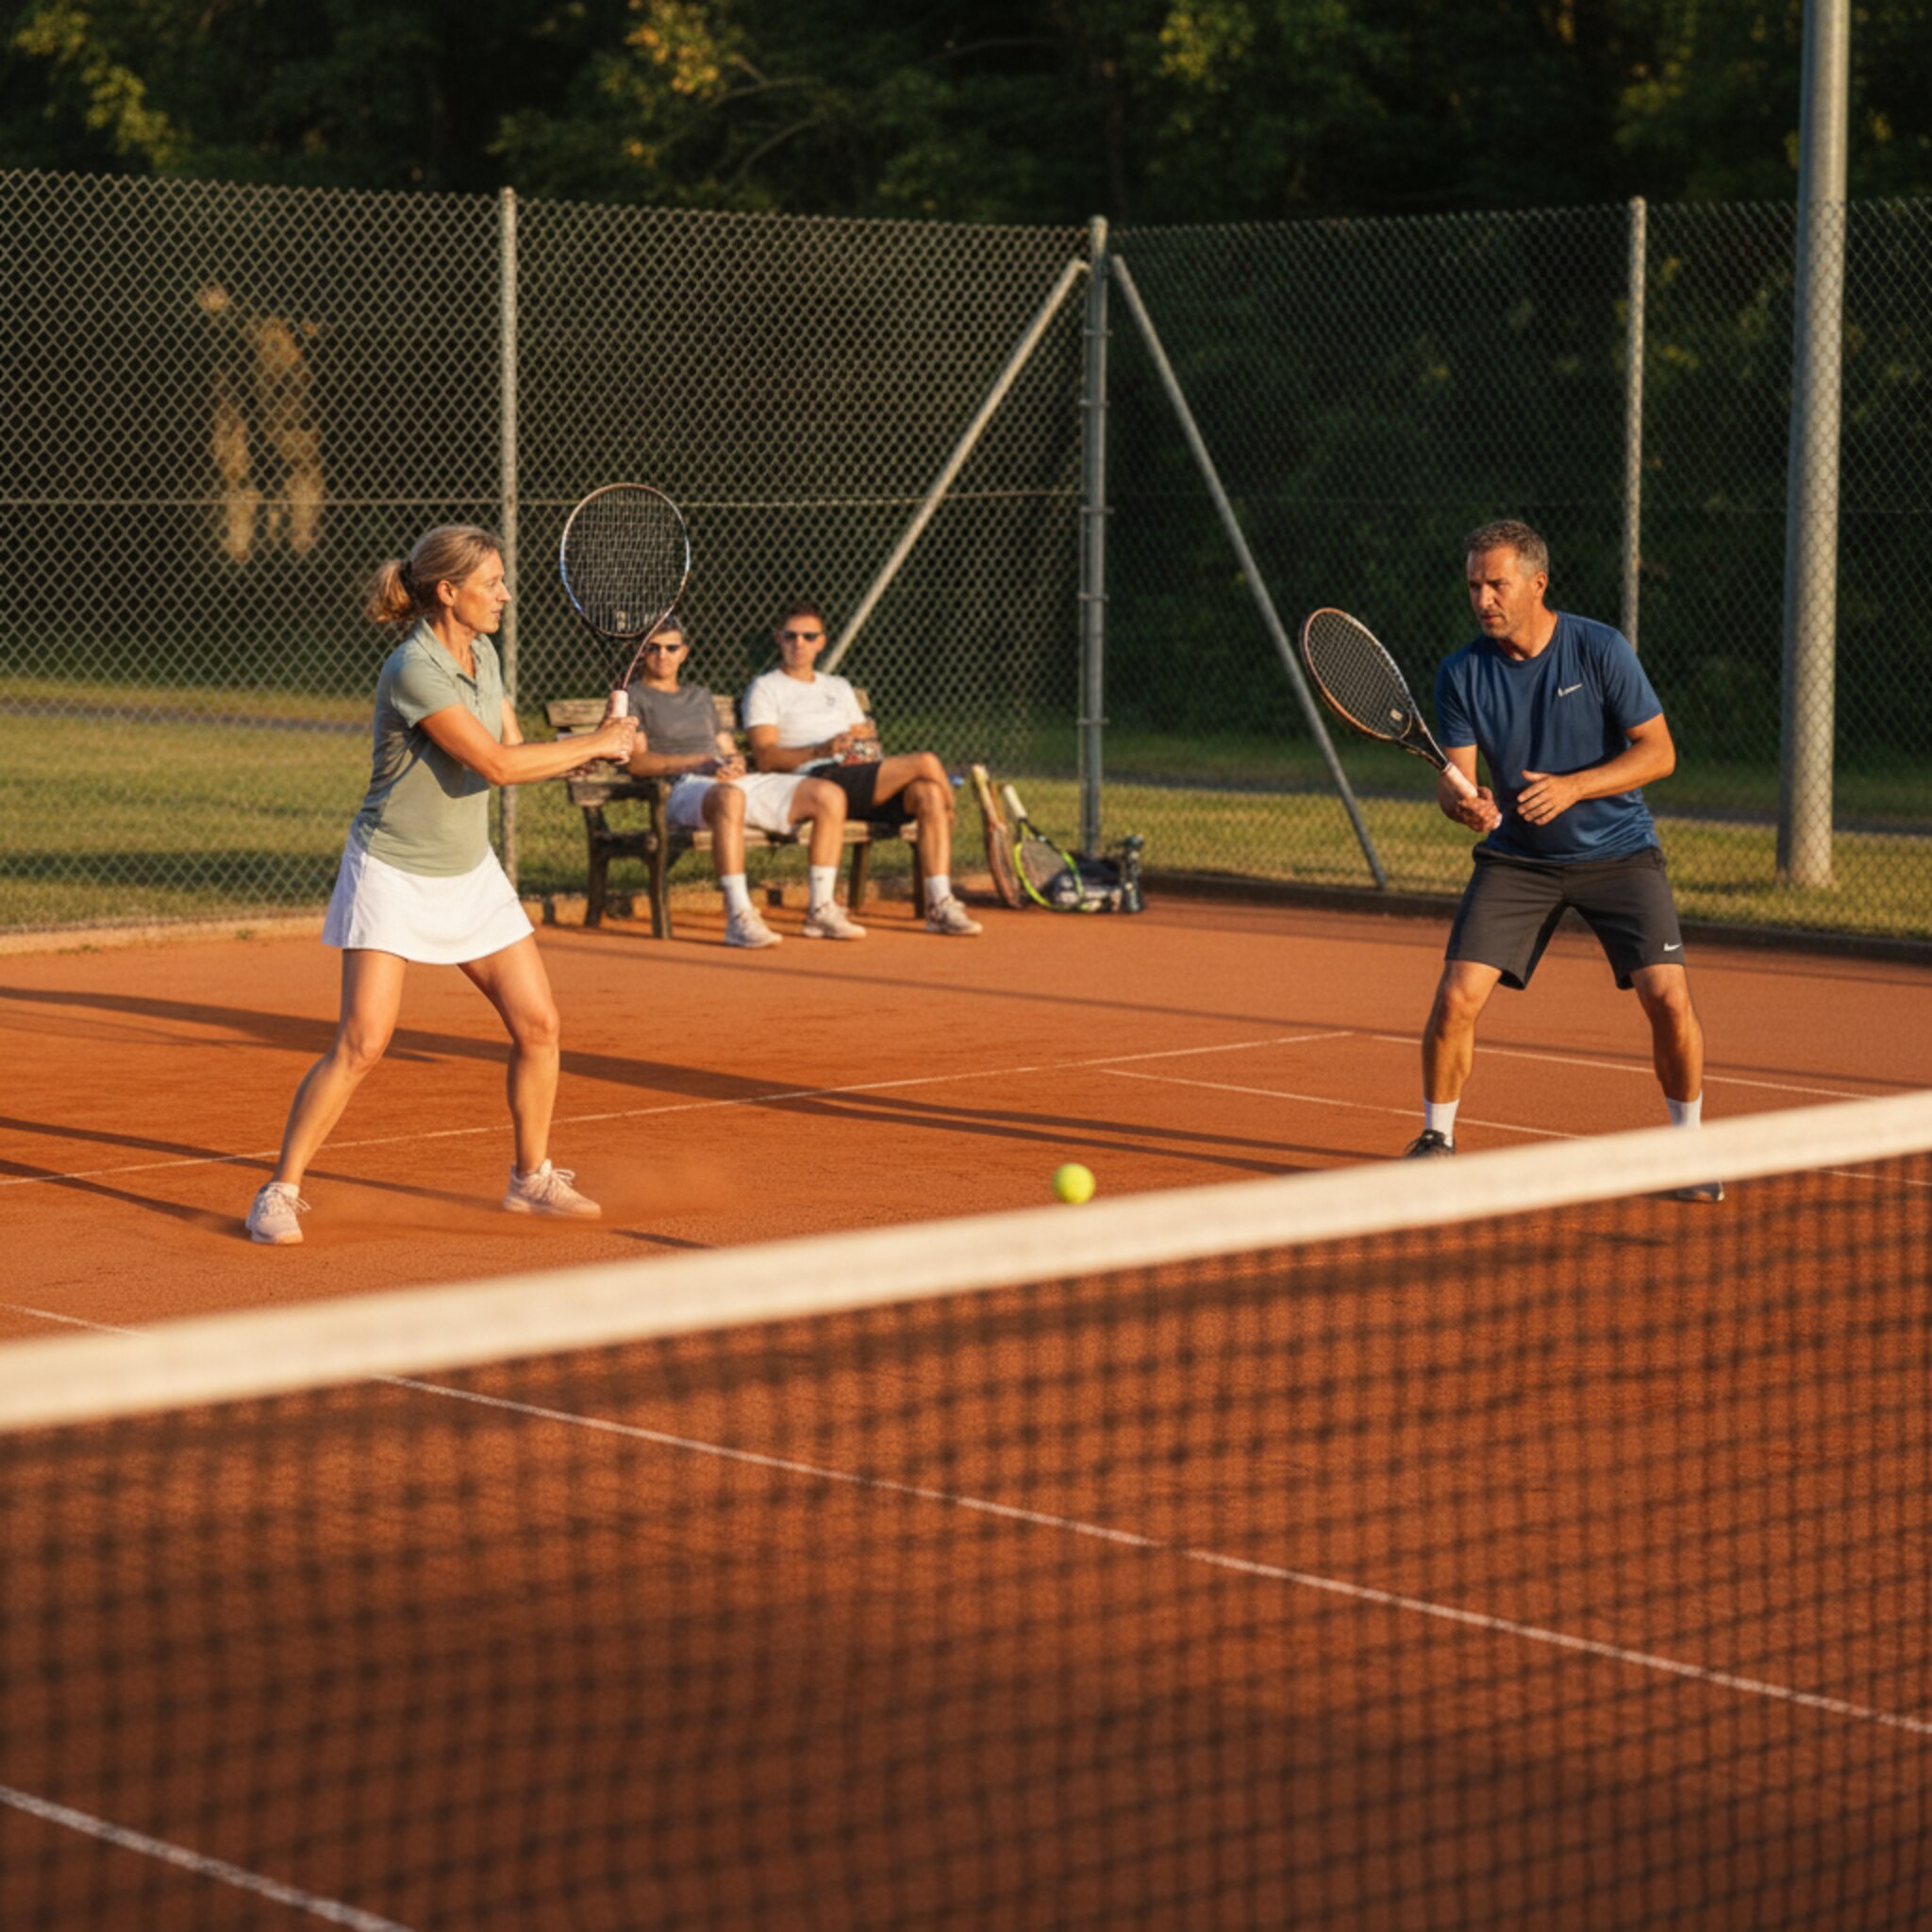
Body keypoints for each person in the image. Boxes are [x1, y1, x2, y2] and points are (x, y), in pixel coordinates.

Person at [243, 525, 638, 1245]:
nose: (506, 595)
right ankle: (279, 1190)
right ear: (448, 592)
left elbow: (516, 753)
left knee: (539, 1025)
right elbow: (494, 766)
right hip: (391, 870)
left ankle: (531, 1180)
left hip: (467, 871)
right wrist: (596, 743)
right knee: (362, 1042)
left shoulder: (482, 653)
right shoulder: (412, 668)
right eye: (492, 584)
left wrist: (591, 750)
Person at [1407, 519, 1721, 1201]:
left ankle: (1690, 1148)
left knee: (1667, 997)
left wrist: (1575, 785)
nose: (1483, 598)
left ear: (1536, 584)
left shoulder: (1599, 649)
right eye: (1474, 586)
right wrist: (1466, 804)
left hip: (1619, 852)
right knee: (1457, 995)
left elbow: (1659, 754)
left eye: (1497, 583)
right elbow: (1452, 780)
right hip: (1518, 859)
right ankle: (1437, 1138)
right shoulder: (1462, 672)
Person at [742, 601, 982, 936]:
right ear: (778, 639)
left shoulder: (838, 687)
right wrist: (821, 749)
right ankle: (951, 809)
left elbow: (863, 738)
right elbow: (766, 757)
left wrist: (858, 747)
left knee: (927, 792)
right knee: (927, 762)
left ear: (821, 642)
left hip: (858, 777)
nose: (799, 644)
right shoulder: (766, 688)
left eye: (809, 636)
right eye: (791, 636)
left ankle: (940, 904)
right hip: (815, 780)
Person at [622, 617, 864, 945]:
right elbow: (638, 763)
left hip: (727, 781)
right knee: (729, 798)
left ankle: (821, 909)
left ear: (684, 653)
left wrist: (733, 762)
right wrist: (702, 764)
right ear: (641, 654)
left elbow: (726, 746)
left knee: (828, 794)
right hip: (680, 788)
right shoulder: (632, 697)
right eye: (652, 648)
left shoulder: (700, 696)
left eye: (671, 647)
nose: (662, 655)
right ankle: (739, 916)